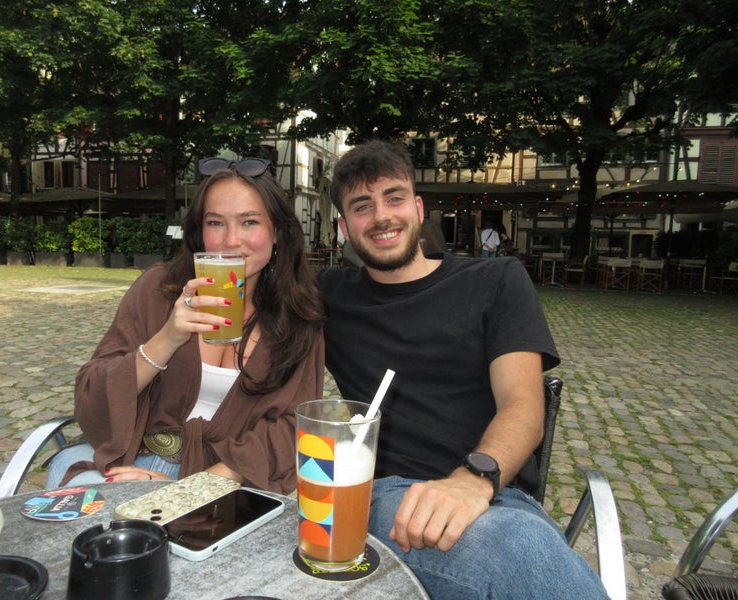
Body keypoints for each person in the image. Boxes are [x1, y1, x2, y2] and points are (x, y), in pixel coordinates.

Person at [317, 140, 609, 599]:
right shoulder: (329, 296)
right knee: (517, 549)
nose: (381, 217)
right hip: (390, 496)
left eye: (394, 198)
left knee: (523, 542)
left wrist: (475, 480)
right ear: (343, 227)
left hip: (496, 492)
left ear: (418, 208)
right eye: (362, 206)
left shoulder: (496, 280)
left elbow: (524, 404)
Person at [46, 157, 325, 495]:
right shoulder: (157, 290)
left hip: (222, 481)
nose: (230, 240)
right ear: (199, 230)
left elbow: (293, 426)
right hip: (127, 461)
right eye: (215, 222)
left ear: (277, 231)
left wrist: (192, 488)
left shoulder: (298, 318)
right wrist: (167, 338)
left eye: (249, 222)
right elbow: (91, 397)